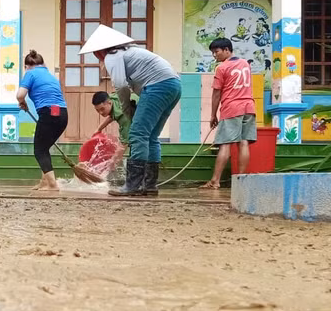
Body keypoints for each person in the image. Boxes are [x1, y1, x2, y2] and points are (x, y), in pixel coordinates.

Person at [81, 24, 181, 197]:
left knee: (137, 135)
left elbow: (120, 85)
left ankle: (132, 185)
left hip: (157, 86)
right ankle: (149, 186)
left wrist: (127, 108)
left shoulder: (112, 56)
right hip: (174, 85)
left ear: (99, 51)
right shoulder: (130, 52)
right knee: (151, 137)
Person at [202, 38, 257, 189]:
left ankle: (215, 181)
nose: (215, 55)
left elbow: (216, 94)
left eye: (217, 52)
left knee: (225, 145)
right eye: (213, 52)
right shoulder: (245, 64)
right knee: (243, 142)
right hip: (249, 107)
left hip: (232, 108)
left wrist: (213, 115)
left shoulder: (222, 68)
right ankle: (241, 180)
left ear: (227, 50)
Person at [16, 49, 68, 191]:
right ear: (43, 64)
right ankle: (44, 182)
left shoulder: (30, 73)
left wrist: (23, 103)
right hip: (62, 114)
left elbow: (20, 95)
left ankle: (52, 185)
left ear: (26, 66)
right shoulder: (51, 76)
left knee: (39, 150)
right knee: (44, 148)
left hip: (48, 113)